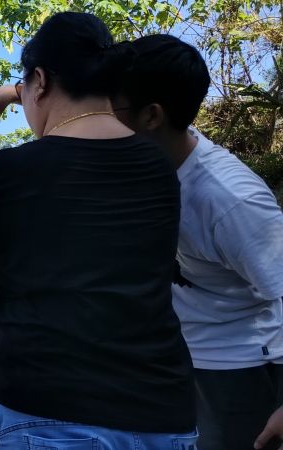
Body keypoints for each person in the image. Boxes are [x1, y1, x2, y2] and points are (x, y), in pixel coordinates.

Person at [0, 12, 197, 449]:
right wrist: (10, 93)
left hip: (48, 409)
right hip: (160, 407)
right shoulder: (158, 165)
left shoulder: (9, 171)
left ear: (40, 81)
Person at [112, 34, 283, 450]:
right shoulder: (151, 162)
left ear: (151, 116)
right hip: (183, 357)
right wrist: (17, 93)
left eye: (110, 108)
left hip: (242, 371)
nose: (95, 117)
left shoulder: (230, 200)